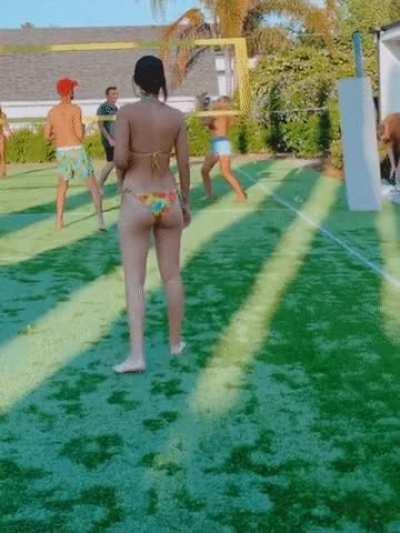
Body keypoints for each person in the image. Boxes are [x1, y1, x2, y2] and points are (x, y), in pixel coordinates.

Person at [113, 56, 191, 374]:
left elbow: (120, 160)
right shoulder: (176, 117)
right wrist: (186, 202)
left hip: (137, 198)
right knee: (172, 275)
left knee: (135, 281)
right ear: (161, 82)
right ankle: (176, 343)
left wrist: (122, 179)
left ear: (136, 81)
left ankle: (137, 356)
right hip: (168, 199)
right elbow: (183, 165)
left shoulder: (127, 113)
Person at [44, 78, 105, 231]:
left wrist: (57, 134)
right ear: (69, 92)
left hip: (62, 152)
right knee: (93, 185)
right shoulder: (75, 109)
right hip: (76, 150)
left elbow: (46, 136)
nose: (74, 92)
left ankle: (59, 221)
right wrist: (83, 128)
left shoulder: (52, 112)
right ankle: (100, 221)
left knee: (62, 186)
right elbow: (79, 135)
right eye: (72, 89)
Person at [201, 96, 247, 202]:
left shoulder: (220, 113)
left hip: (221, 144)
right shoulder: (222, 113)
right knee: (204, 170)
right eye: (217, 100)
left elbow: (206, 122)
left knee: (225, 172)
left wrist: (203, 107)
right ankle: (209, 194)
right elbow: (209, 124)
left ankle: (241, 195)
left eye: (219, 101)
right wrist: (205, 109)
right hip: (216, 144)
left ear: (225, 103)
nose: (216, 102)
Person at [97, 86, 119, 193]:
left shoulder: (115, 108)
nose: (115, 96)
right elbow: (100, 125)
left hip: (118, 140)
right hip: (109, 140)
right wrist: (109, 139)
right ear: (107, 95)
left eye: (116, 93)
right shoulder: (103, 108)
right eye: (113, 93)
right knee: (111, 162)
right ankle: (100, 184)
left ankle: (121, 186)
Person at [0, 105, 11, 178]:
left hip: (1, 137)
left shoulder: (3, 115)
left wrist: (9, 133)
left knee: (2, 155)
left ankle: (3, 171)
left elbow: (6, 126)